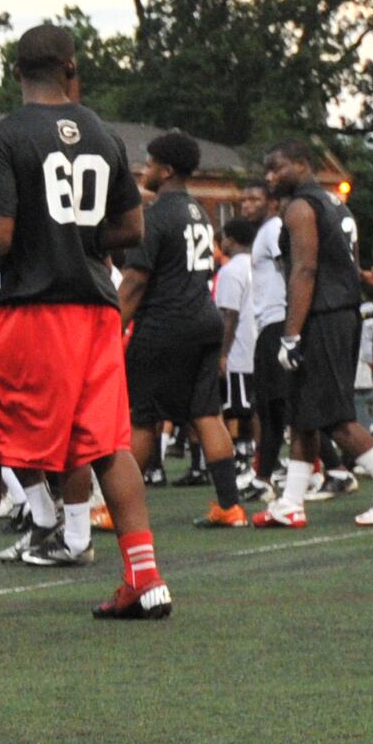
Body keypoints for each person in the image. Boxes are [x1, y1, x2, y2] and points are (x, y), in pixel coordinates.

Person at [0, 24, 168, 625]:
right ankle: (145, 578)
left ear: (15, 72)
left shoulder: (2, 138)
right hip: (95, 309)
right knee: (106, 443)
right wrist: (74, 236)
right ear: (72, 71)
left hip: (30, 309)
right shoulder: (103, 133)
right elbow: (131, 230)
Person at [250, 148, 373, 528]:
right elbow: (351, 267)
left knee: (334, 414)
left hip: (321, 315)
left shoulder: (300, 208)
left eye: (277, 168)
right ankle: (291, 501)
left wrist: (290, 333)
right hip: (342, 311)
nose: (271, 177)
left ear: (303, 164)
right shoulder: (336, 204)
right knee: (303, 412)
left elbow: (305, 270)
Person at [118, 136, 241, 529]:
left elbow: (136, 280)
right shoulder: (199, 214)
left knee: (141, 418)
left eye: (150, 164)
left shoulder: (156, 216)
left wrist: (111, 326)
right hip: (204, 319)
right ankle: (230, 505)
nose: (144, 171)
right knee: (207, 414)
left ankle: (115, 510)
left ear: (167, 170)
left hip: (165, 324)